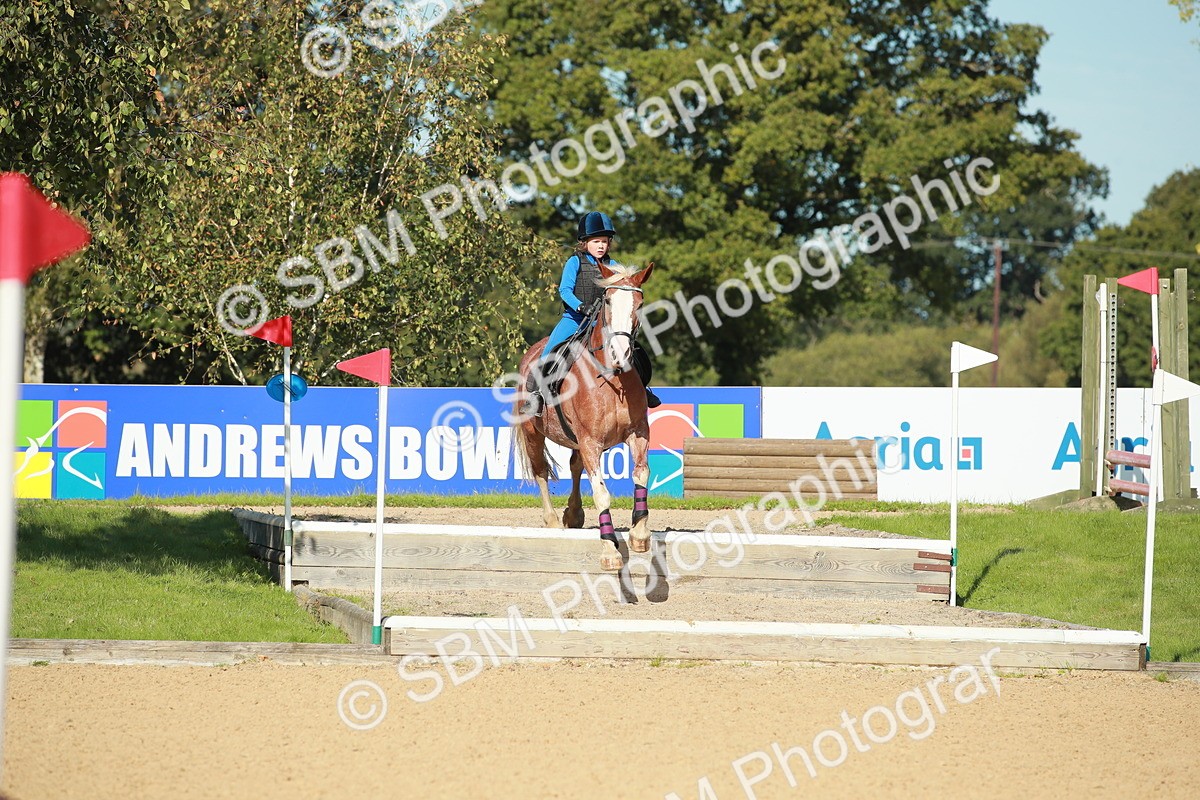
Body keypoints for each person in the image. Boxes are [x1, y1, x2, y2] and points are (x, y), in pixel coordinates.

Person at [521, 211, 661, 415]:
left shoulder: (613, 266)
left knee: (635, 350)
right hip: (575, 319)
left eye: (605, 241)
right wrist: (579, 306)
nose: (601, 246)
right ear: (585, 242)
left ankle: (642, 388)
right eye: (596, 241)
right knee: (549, 352)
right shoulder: (575, 262)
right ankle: (537, 397)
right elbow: (564, 290)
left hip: (602, 324)